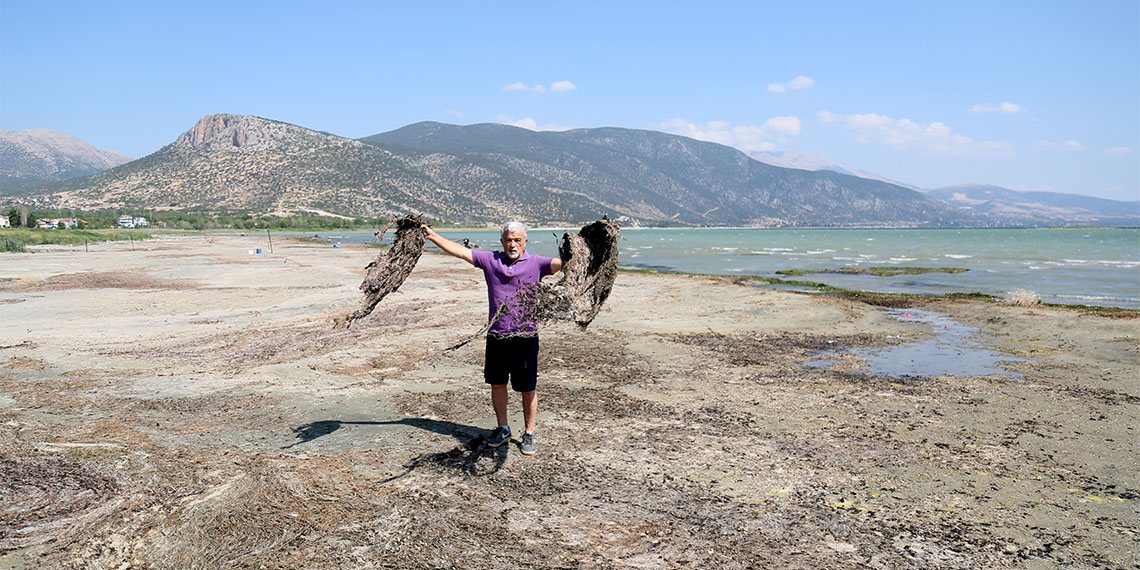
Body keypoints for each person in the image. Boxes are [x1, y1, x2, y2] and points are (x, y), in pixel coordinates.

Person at [422, 221, 562, 455]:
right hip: (497, 335)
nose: (512, 244)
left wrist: (585, 251)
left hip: (526, 336)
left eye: (517, 239)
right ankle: (503, 428)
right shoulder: (491, 260)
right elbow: (460, 251)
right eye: (508, 239)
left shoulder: (537, 263)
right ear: (502, 242)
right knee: (497, 384)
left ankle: (528, 433)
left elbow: (563, 264)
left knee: (527, 388)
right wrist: (432, 235)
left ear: (525, 242)